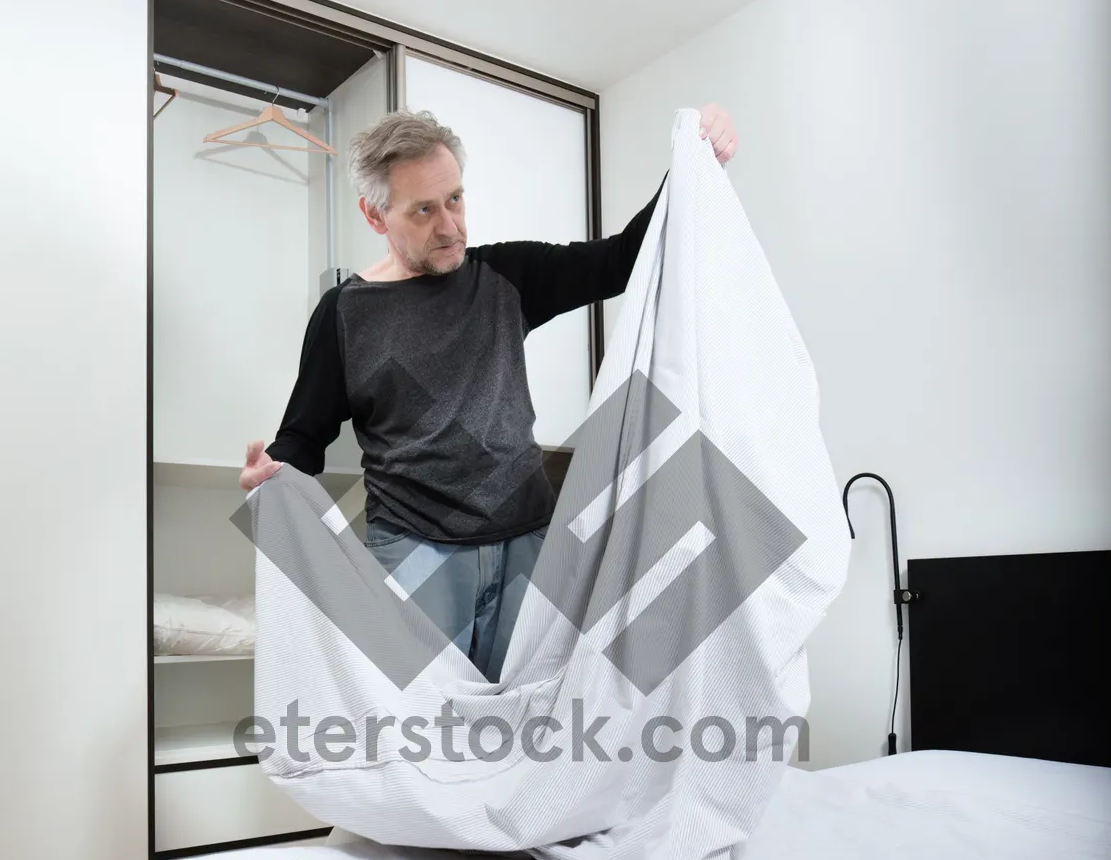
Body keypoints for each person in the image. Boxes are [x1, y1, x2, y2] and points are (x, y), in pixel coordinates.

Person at [241, 103, 738, 677]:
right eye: (424, 210)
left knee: (527, 724)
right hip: (412, 552)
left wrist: (691, 162)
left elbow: (619, 262)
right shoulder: (344, 315)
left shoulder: (505, 277)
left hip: (529, 544)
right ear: (375, 216)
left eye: (454, 199)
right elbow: (303, 437)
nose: (449, 226)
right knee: (421, 735)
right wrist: (269, 475)